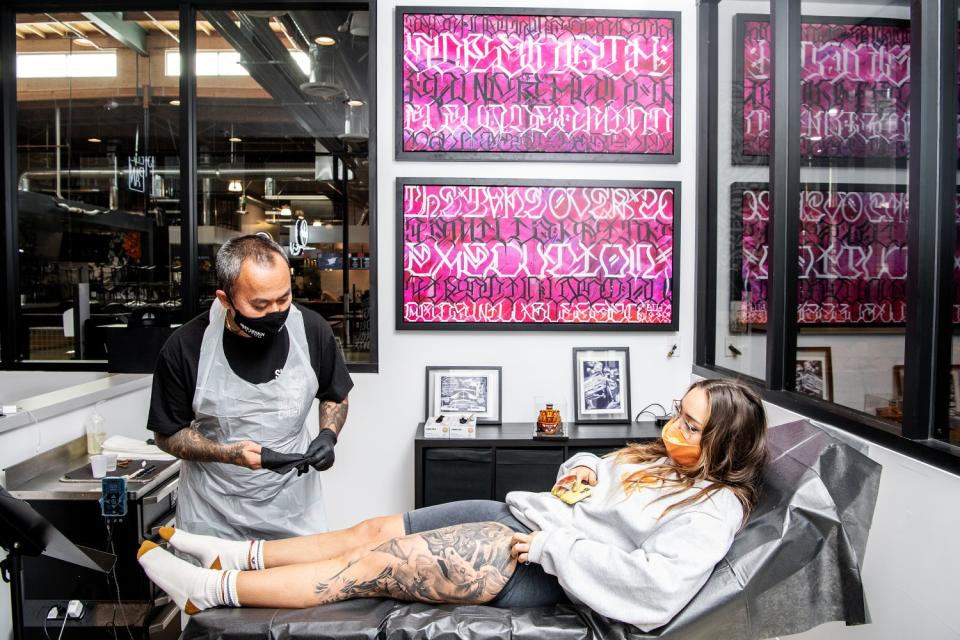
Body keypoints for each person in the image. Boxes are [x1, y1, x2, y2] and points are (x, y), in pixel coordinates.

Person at [137, 378, 768, 631]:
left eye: (689, 427)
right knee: (369, 530)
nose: (670, 430)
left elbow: (656, 589)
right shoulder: (663, 459)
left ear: (722, 444)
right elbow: (600, 471)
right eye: (676, 415)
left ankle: (212, 591)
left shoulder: (713, 509)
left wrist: (556, 546)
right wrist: (579, 469)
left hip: (531, 560)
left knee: (369, 568)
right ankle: (231, 551)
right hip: (519, 519)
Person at [146, 233, 353, 540]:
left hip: (292, 506)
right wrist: (227, 453)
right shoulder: (185, 347)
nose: (276, 312)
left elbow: (335, 395)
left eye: (283, 298)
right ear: (225, 299)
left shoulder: (311, 330)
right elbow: (167, 434)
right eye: (260, 304)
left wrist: (328, 434)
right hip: (212, 511)